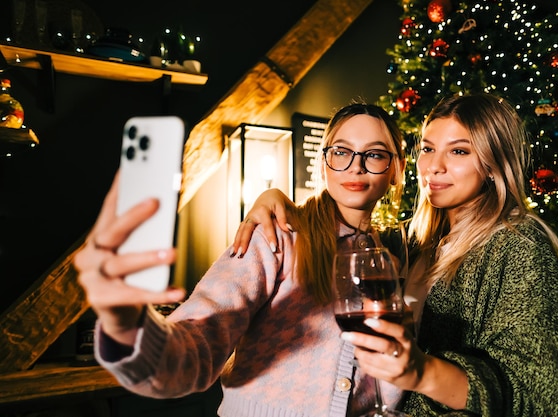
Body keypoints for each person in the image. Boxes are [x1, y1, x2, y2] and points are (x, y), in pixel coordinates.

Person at [232, 93, 558, 416]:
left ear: (493, 164)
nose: (434, 167)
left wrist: (423, 372)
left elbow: (542, 396)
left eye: (459, 151)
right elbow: (339, 238)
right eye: (428, 149)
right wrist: (277, 201)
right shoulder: (406, 243)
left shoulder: (519, 245)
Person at [73, 102, 410, 417]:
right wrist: (127, 324)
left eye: (375, 155)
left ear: (397, 169)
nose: (355, 165)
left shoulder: (397, 259)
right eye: (341, 151)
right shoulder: (276, 236)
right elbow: (199, 344)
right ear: (323, 164)